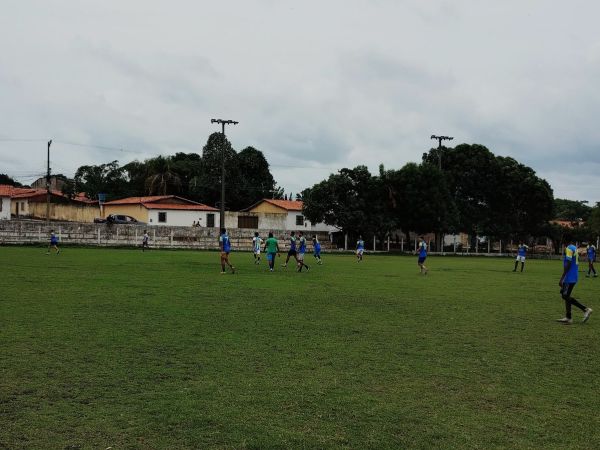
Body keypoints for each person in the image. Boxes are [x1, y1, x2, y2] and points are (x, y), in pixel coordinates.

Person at [557, 240, 592, 324]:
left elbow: (568, 263)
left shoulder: (569, 248)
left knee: (565, 295)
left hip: (569, 277)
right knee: (566, 295)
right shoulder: (574, 248)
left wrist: (562, 278)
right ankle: (568, 317)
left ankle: (585, 309)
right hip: (574, 275)